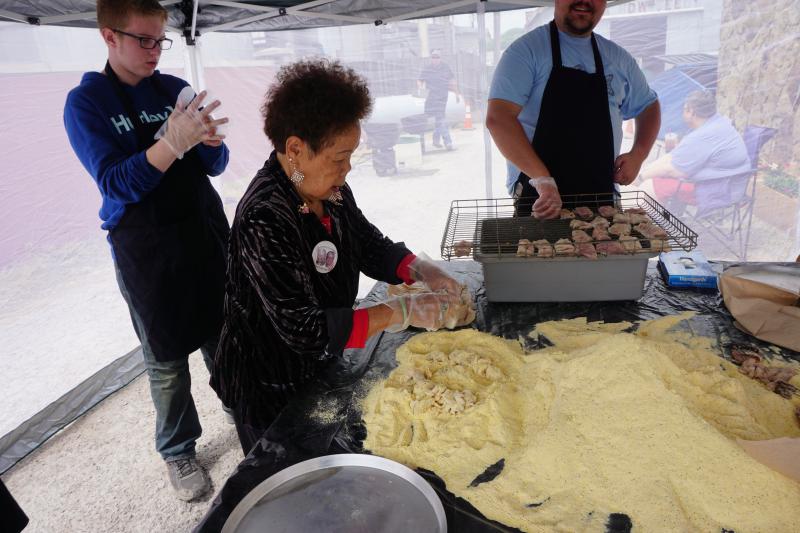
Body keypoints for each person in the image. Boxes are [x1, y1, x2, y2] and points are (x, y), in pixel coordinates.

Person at [211, 59, 473, 456]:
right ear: (296, 149)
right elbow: (304, 330)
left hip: (318, 366)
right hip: (269, 381)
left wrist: (422, 270)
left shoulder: (327, 190)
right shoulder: (265, 215)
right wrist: (401, 311)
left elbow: (365, 242)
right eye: (339, 158)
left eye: (351, 155)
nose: (347, 168)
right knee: (289, 476)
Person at [63, 0, 230, 501]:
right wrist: (169, 144)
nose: (155, 50)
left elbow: (215, 166)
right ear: (109, 36)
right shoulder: (86, 102)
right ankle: (178, 449)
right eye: (143, 39)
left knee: (223, 331)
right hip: (146, 246)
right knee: (166, 357)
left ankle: (241, 402)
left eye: (161, 39)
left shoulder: (172, 89)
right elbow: (116, 184)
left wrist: (210, 140)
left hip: (200, 229)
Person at [486, 0, 661, 218]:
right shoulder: (526, 51)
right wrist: (543, 180)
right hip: (539, 199)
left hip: (602, 197)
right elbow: (499, 118)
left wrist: (639, 154)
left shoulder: (618, 58)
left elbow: (648, 106)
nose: (584, 1)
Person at [640, 90, 752, 215]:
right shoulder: (720, 123)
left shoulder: (703, 136)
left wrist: (641, 178)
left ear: (691, 112)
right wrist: (646, 170)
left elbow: (673, 170)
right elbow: (673, 156)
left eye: (684, 109)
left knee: (647, 187)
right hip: (732, 186)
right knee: (658, 174)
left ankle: (654, 228)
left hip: (719, 192)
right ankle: (670, 217)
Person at [418, 49, 457, 150]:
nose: (435, 59)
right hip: (431, 99)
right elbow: (420, 80)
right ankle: (440, 141)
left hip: (442, 98)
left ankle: (446, 142)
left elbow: (452, 80)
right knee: (438, 120)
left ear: (440, 58)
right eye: (433, 57)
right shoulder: (427, 69)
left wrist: (456, 93)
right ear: (431, 58)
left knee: (440, 119)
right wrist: (421, 90)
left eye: (437, 57)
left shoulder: (445, 67)